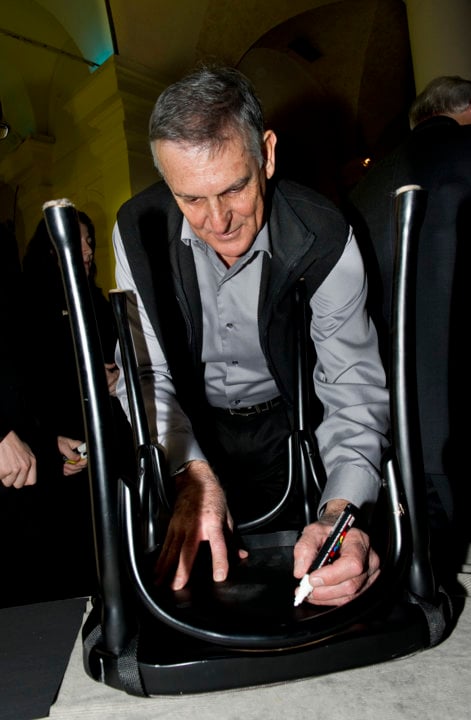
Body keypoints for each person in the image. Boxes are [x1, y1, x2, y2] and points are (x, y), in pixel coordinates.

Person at [113, 65, 390, 607]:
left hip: (291, 429)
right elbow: (145, 373)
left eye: (234, 188)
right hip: (188, 428)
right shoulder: (137, 228)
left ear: (266, 153)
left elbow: (352, 385)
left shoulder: (325, 234)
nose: (217, 221)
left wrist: (343, 515)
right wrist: (189, 472)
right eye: (191, 199)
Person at [348, 75, 471, 580]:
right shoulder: (463, 155)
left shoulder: (364, 187)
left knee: (427, 574)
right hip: (458, 415)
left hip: (391, 427)